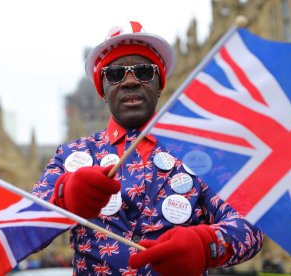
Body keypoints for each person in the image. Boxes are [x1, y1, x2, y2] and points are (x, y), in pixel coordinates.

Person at [32, 21, 263, 275]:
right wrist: (64, 198)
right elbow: (24, 228)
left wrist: (206, 245)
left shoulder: (201, 153)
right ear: (102, 90)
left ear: (160, 84)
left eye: (143, 71)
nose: (130, 81)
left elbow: (251, 224)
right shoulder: (73, 156)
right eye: (115, 74)